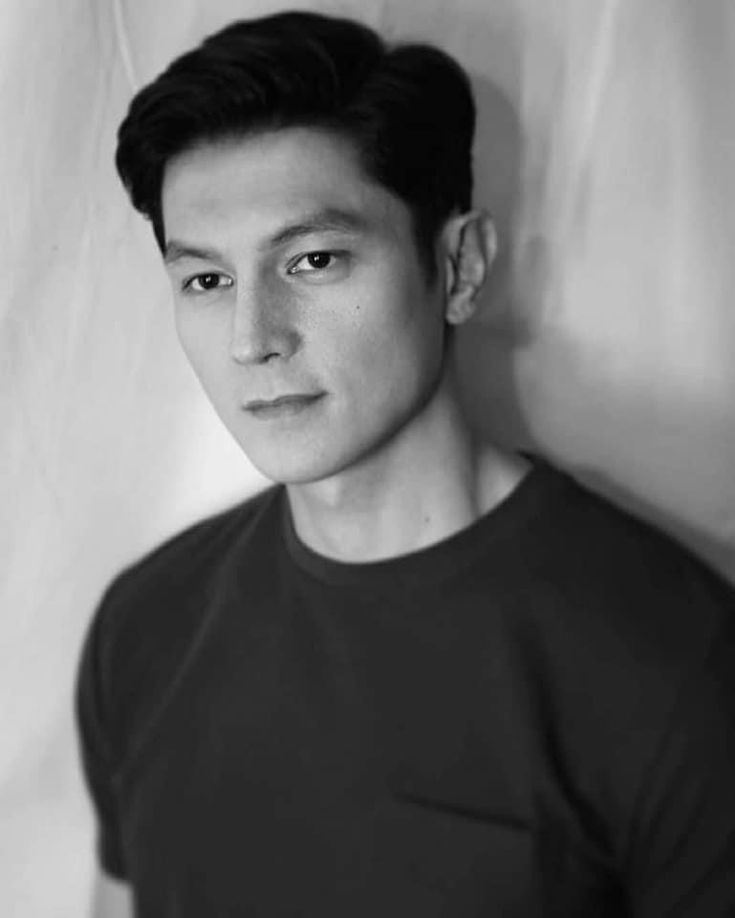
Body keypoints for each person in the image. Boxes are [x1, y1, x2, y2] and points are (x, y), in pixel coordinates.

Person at [75, 9, 735, 917]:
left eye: (311, 259)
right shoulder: (143, 626)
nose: (251, 339)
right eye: (206, 279)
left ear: (458, 266)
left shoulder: (671, 664)